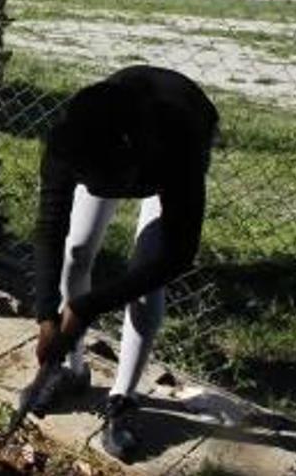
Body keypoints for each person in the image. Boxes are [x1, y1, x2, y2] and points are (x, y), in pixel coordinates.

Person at [29, 65, 219, 461]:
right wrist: (46, 314)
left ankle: (124, 398)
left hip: (164, 142)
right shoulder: (69, 140)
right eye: (87, 181)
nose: (96, 191)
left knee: (146, 276)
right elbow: (50, 229)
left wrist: (86, 306)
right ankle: (71, 370)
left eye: (102, 182)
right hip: (117, 143)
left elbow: (178, 255)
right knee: (77, 251)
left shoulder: (178, 145)